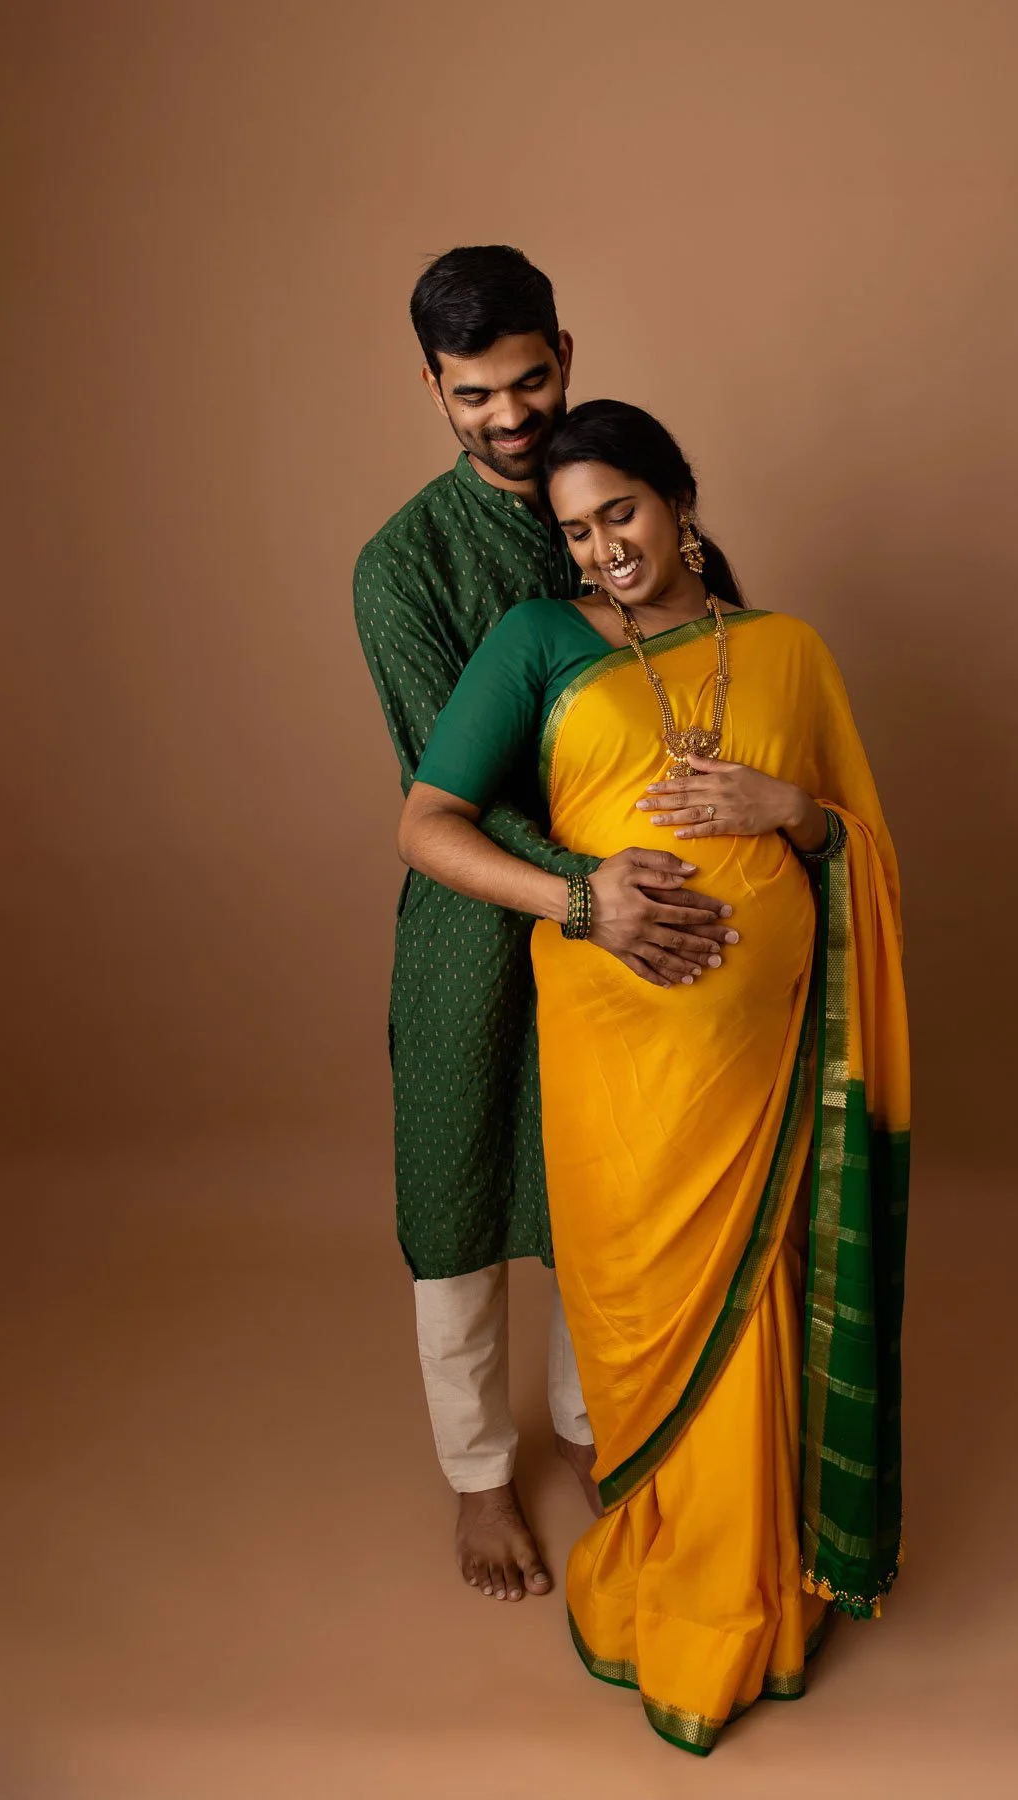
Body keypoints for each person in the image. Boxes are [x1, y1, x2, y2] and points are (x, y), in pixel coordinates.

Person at [398, 400, 910, 1755]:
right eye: (576, 532)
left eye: (622, 512)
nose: (605, 549)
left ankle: (746, 1591)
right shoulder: (536, 644)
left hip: (764, 1069)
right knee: (638, 1319)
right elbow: (427, 823)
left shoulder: (789, 650)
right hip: (621, 1071)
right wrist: (578, 904)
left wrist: (788, 813)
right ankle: (674, 1564)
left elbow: (864, 843)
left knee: (758, 1317)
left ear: (678, 496)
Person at [353, 251, 737, 1606]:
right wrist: (589, 892)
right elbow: (446, 798)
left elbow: (720, 688)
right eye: (474, 395)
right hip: (478, 929)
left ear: (565, 354)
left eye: (528, 380)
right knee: (458, 1199)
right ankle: (477, 1475)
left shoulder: (631, 509)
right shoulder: (402, 565)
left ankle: (592, 1429)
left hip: (635, 928)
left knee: (600, 1191)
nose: (508, 416)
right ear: (433, 389)